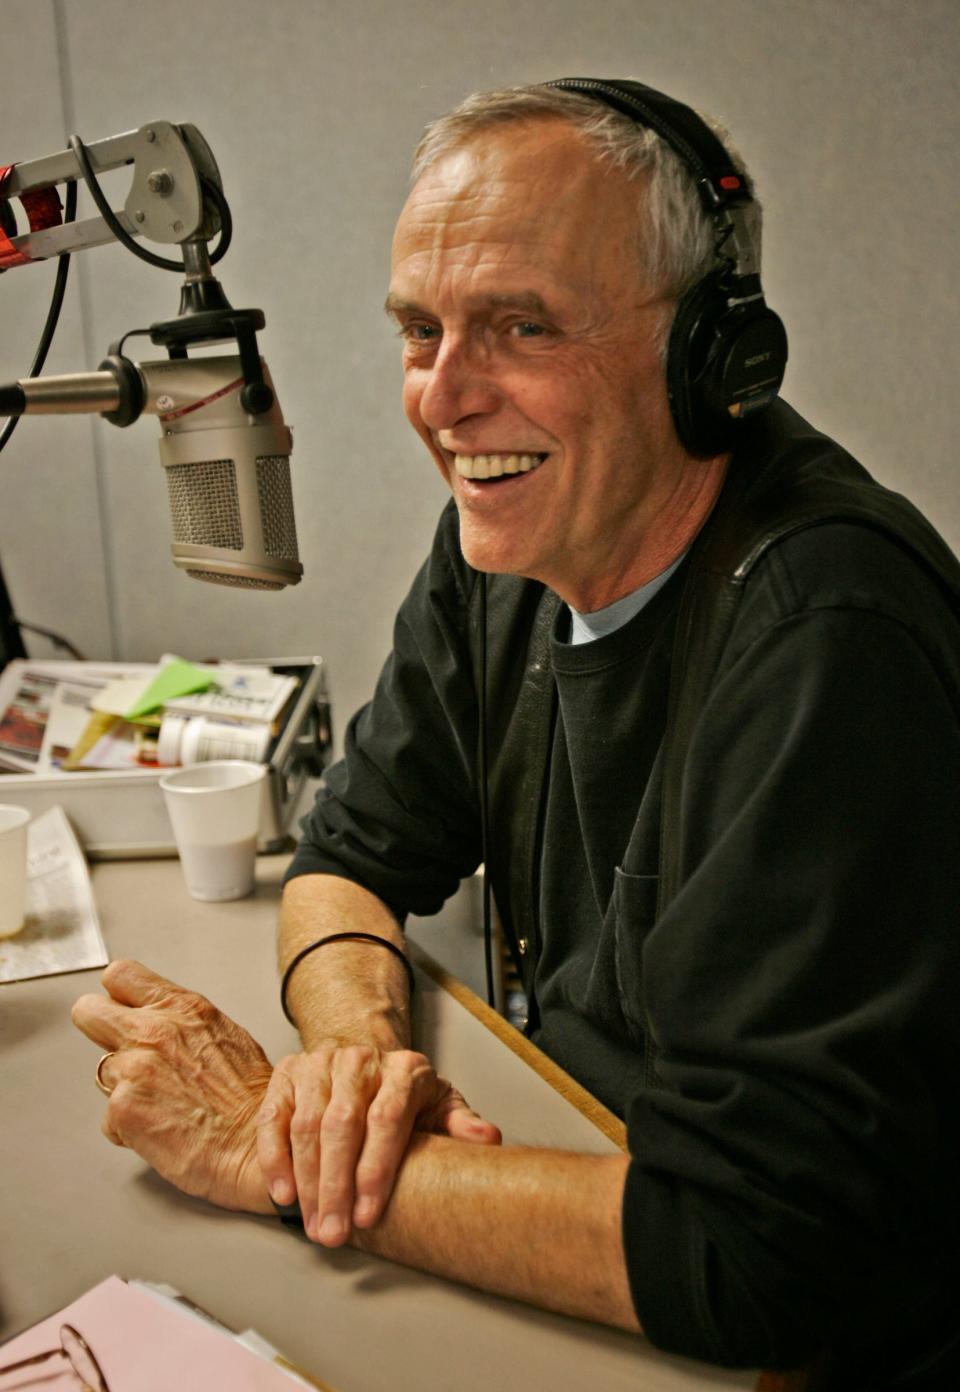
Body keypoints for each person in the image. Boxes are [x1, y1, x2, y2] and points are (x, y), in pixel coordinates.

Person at [72, 81, 960, 1386]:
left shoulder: (826, 640)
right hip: (575, 1219)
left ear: (718, 359)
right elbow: (346, 859)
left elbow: (759, 1252)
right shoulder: (504, 550)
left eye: (519, 326)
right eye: (419, 331)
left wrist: (271, 1142)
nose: (442, 400)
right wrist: (353, 1069)